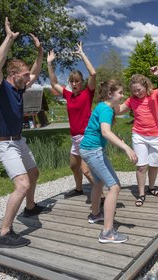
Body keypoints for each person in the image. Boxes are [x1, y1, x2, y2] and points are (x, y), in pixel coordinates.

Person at [0, 17, 48, 248]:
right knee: (22, 185)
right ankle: (4, 233)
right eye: (24, 76)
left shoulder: (20, 90)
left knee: (33, 173)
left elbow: (36, 70)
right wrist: (9, 38)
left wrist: (40, 51)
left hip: (18, 141)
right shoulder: (1, 87)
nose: (29, 78)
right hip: (3, 143)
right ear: (13, 74)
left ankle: (30, 208)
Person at [80, 80, 138, 243]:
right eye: (120, 93)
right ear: (110, 94)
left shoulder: (103, 107)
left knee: (98, 182)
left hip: (87, 149)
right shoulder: (106, 109)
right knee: (114, 186)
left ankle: (95, 214)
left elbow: (100, 130)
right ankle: (107, 233)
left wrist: (116, 138)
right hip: (93, 150)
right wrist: (126, 147)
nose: (122, 95)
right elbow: (105, 132)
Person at [47, 42, 100, 198]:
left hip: (86, 136)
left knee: (86, 170)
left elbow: (93, 74)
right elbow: (54, 83)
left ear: (81, 82)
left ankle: (103, 196)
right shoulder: (68, 96)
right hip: (75, 138)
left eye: (77, 81)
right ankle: (79, 189)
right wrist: (50, 64)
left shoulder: (87, 94)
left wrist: (82, 54)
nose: (74, 84)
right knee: (73, 166)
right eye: (72, 81)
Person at [118, 66, 158, 207]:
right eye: (134, 91)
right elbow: (119, 110)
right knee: (141, 166)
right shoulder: (132, 100)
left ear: (145, 85)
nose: (137, 93)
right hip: (139, 135)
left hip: (156, 135)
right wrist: (110, 100)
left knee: (154, 165)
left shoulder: (155, 94)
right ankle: (141, 194)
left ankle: (151, 187)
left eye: (139, 89)